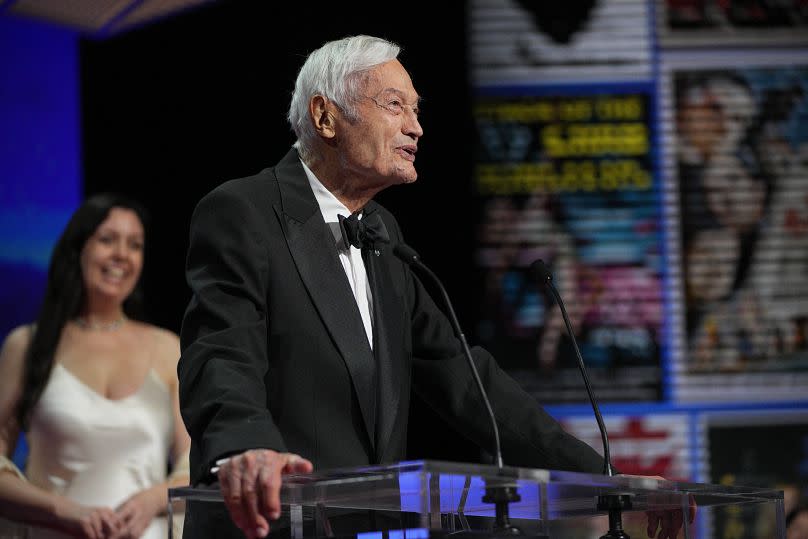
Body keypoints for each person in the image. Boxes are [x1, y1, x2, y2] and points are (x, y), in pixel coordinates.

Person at [178, 34, 690, 539]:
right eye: (395, 106)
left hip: (364, 527)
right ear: (325, 116)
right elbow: (221, 350)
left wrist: (605, 477)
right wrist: (243, 449)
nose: (417, 128)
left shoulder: (382, 234)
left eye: (417, 111)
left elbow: (465, 378)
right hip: (266, 522)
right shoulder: (244, 211)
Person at [0, 193, 191, 539]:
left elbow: (193, 462)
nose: (122, 254)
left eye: (134, 245)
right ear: (78, 250)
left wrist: (152, 500)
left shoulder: (167, 347)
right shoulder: (27, 344)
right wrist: (61, 510)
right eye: (107, 240)